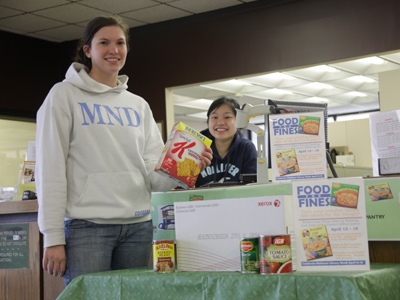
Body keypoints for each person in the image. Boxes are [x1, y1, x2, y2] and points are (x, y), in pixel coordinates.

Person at [35, 15, 212, 286]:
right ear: (88, 50)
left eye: (120, 43)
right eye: (103, 42)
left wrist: (186, 167)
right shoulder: (63, 96)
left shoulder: (138, 105)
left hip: (138, 228)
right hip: (87, 229)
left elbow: (153, 176)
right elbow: (50, 170)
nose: (113, 50)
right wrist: (52, 236)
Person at [195, 97, 257, 187]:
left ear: (238, 121)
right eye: (214, 117)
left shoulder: (246, 148)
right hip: (202, 200)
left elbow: (252, 185)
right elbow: (183, 184)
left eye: (227, 117)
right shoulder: (197, 147)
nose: (220, 122)